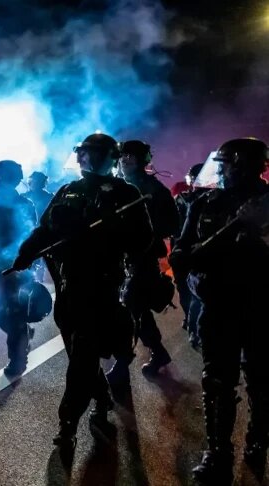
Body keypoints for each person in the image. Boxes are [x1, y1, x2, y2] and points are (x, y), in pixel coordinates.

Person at [9, 133, 152, 452]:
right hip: (68, 283)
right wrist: (26, 253)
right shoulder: (68, 190)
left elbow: (143, 240)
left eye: (91, 153)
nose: (83, 158)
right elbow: (45, 230)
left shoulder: (125, 193)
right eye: (82, 152)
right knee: (78, 352)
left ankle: (68, 422)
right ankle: (101, 398)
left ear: (108, 157)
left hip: (102, 285)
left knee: (84, 353)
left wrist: (112, 227)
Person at [170, 138, 269, 485]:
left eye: (225, 165)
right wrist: (186, 257)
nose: (221, 172)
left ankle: (258, 440)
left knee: (261, 379)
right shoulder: (205, 202)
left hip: (261, 306)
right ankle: (217, 451)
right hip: (219, 305)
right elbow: (182, 250)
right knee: (216, 380)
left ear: (242, 165)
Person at [106, 140, 179, 384]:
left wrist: (144, 232)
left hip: (142, 257)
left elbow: (172, 224)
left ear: (141, 160)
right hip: (116, 256)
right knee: (136, 309)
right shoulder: (114, 186)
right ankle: (157, 351)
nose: (124, 161)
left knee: (131, 306)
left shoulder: (154, 189)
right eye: (122, 156)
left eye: (130, 156)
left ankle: (123, 362)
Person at [0, 160, 37, 376]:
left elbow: (30, 234)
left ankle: (18, 359)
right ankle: (23, 334)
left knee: (14, 313)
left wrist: (22, 260)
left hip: (17, 268)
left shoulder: (24, 204)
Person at [171, 163, 208, 348]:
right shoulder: (186, 199)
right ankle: (193, 326)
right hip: (187, 251)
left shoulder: (204, 200)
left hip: (192, 252)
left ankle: (194, 329)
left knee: (192, 292)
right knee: (190, 291)